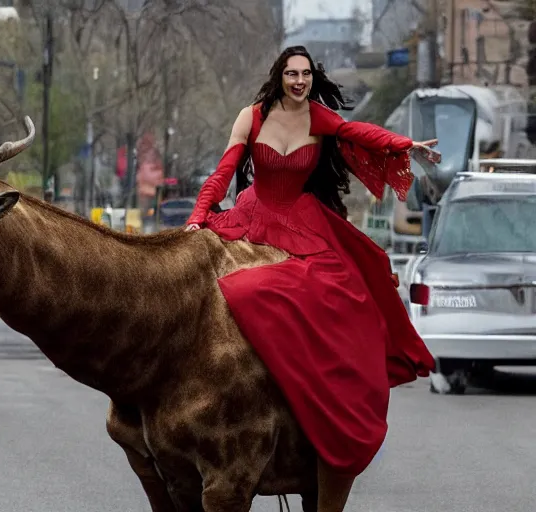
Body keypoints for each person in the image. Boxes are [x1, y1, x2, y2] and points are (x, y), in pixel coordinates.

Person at [184, 46, 440, 511]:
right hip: (256, 213)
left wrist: (404, 145)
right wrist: (199, 216)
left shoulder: (320, 118)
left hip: (303, 223)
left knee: (338, 297)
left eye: (305, 74)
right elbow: (223, 173)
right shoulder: (253, 116)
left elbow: (359, 132)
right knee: (240, 286)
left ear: (311, 77)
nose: (299, 80)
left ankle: (330, 405)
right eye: (291, 73)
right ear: (279, 76)